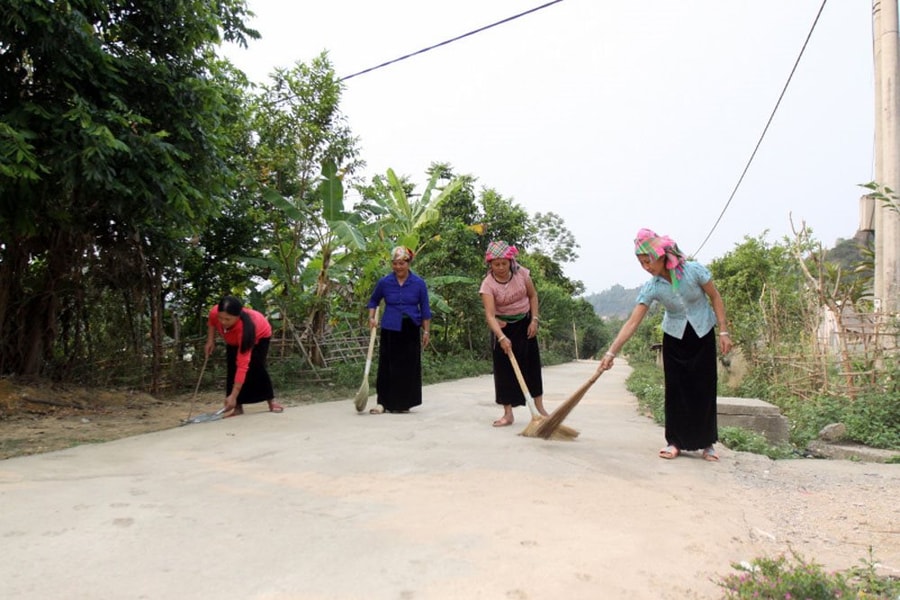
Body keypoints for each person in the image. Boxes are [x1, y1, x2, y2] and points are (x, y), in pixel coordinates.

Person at [598, 228, 732, 461]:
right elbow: (632, 322)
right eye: (641, 263)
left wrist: (723, 330)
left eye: (647, 260)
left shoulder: (694, 271)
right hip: (674, 337)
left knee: (704, 387)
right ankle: (675, 442)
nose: (646, 267)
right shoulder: (653, 287)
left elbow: (715, 297)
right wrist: (611, 352)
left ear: (661, 255)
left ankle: (707, 444)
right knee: (676, 389)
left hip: (702, 333)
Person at [479, 240, 547, 427]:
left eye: (503, 263)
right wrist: (501, 336)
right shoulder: (487, 285)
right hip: (502, 327)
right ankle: (508, 414)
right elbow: (490, 315)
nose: (500, 267)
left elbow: (532, 296)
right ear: (490, 264)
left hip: (525, 325)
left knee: (532, 367)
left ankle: (540, 410)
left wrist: (534, 320)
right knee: (504, 372)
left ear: (510, 261)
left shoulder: (522, 274)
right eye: (496, 264)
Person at [366, 246, 432, 414]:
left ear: (408, 263)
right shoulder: (385, 282)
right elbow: (373, 301)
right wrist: (371, 317)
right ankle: (383, 402)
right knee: (387, 365)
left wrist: (426, 331)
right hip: (390, 327)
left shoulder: (418, 283)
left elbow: (425, 309)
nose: (398, 267)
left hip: (410, 328)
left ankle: (403, 403)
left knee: (408, 366)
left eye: (401, 263)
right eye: (395, 264)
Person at [205, 295, 282, 417]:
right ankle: (237, 407)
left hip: (259, 335)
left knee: (256, 366)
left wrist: (233, 395)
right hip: (233, 339)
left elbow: (242, 365)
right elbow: (212, 322)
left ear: (238, 316)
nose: (223, 322)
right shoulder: (215, 311)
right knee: (232, 368)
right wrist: (210, 341)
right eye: (221, 318)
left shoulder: (246, 328)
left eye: (228, 319)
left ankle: (271, 401)